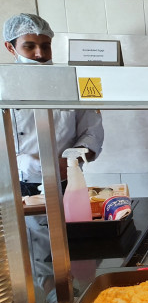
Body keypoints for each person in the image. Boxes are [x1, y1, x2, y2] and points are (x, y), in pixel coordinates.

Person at [3, 13, 104, 196]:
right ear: (10, 47)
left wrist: (73, 158)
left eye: (45, 46)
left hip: (67, 180)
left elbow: (92, 132)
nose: (40, 54)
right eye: (29, 47)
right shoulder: (3, 89)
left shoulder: (69, 84)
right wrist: (18, 161)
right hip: (13, 185)